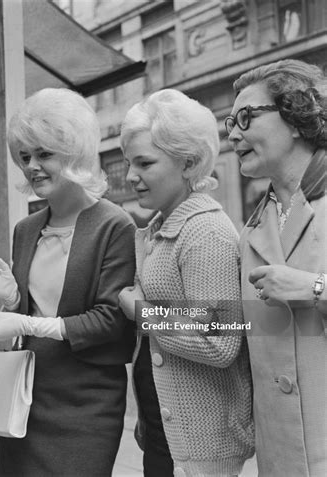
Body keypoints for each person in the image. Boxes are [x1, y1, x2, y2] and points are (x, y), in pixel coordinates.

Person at [0, 88, 136, 476]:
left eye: (44, 154)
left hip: (86, 407)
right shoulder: (26, 229)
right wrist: (11, 300)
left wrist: (25, 321)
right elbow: (27, 317)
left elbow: (112, 320)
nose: (31, 166)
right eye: (24, 156)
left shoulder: (115, 225)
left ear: (74, 151)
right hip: (26, 398)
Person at [118, 89, 254, 477]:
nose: (131, 176)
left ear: (189, 163)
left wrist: (142, 313)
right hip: (165, 431)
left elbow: (219, 337)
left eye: (144, 162)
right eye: (130, 163)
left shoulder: (206, 231)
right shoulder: (161, 226)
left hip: (203, 444)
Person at [225, 59, 327, 476]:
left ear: (299, 118)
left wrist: (317, 288)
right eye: (230, 121)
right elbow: (240, 324)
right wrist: (150, 314)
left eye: (246, 117)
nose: (233, 133)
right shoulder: (253, 226)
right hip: (280, 457)